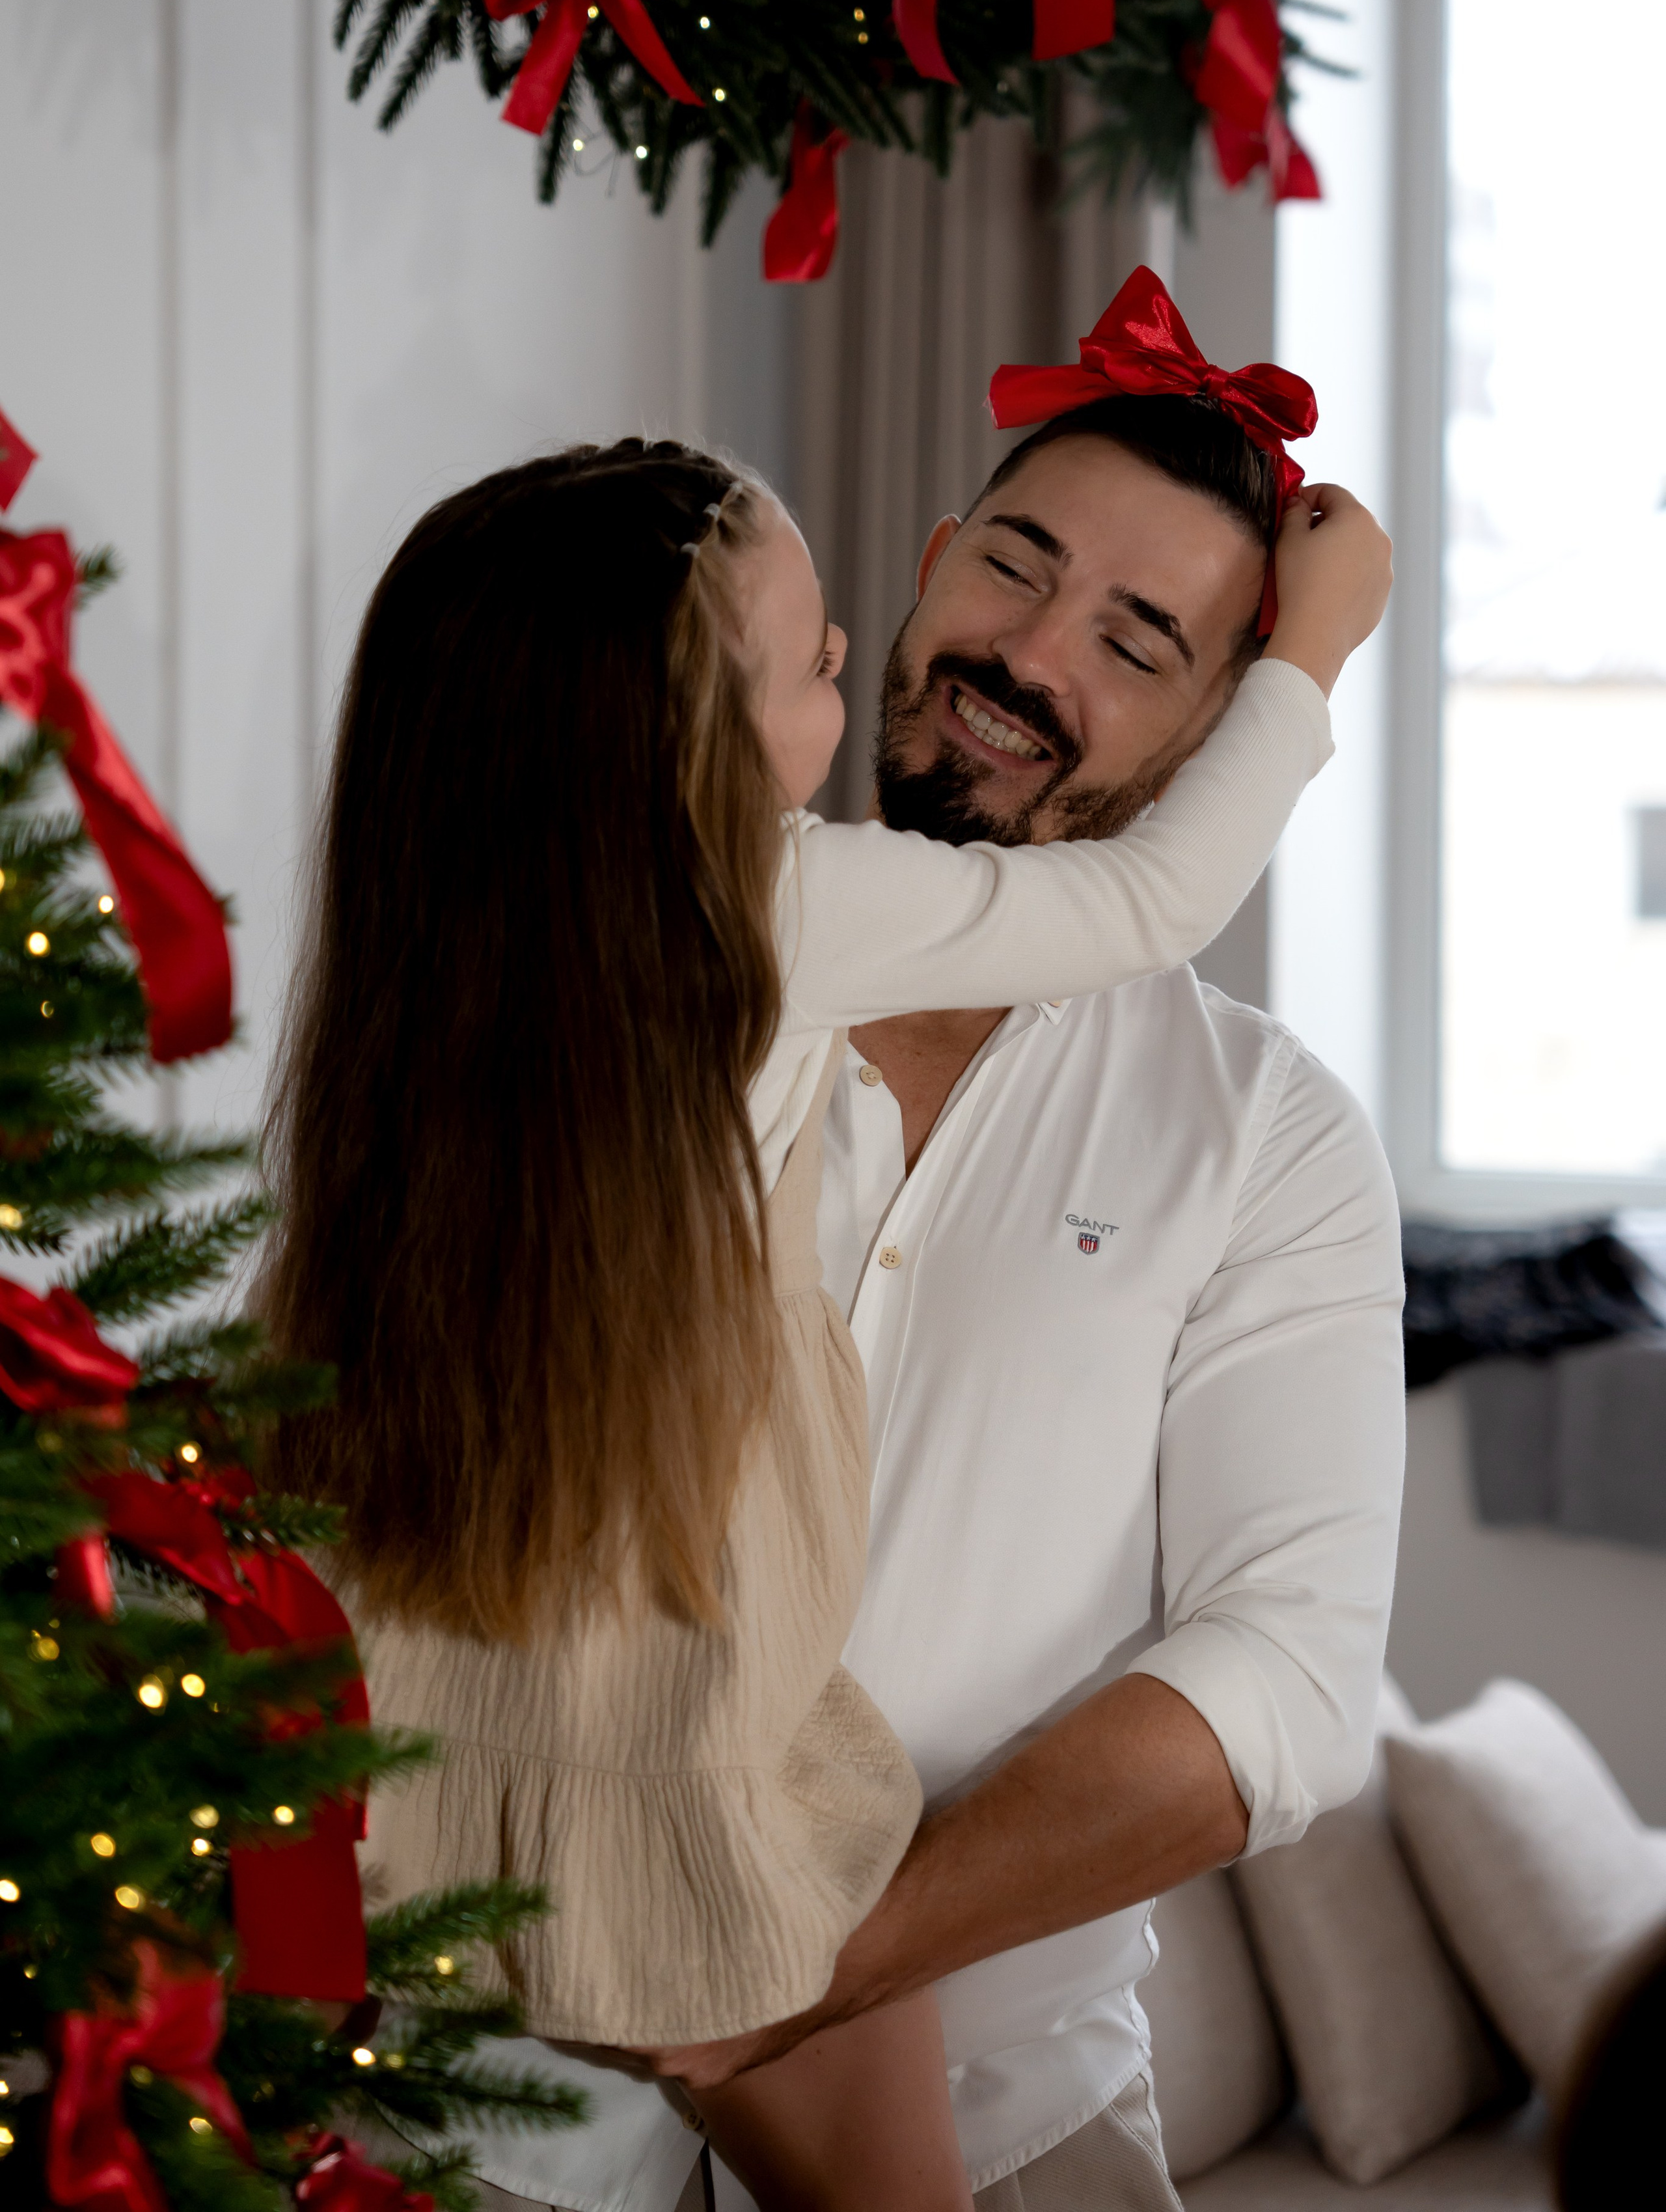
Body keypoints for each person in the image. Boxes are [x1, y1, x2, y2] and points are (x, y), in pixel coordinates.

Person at [465, 283, 1405, 2212]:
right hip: (492, 2107)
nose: (1030, 655)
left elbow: (1289, 1678)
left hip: (1006, 2107)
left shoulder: (1269, 1140)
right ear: (920, 572)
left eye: (1137, 641)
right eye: (1015, 568)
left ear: (1221, 728)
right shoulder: (631, 949)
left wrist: (807, 1966)